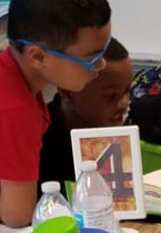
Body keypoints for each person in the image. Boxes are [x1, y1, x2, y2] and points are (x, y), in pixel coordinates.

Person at [0, 0, 112, 227]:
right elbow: (18, 217)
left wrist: (1, 198)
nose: (102, 65)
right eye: (91, 58)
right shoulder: (16, 110)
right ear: (37, 57)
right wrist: (5, 202)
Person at [39, 38, 132, 196]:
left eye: (127, 91)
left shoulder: (132, 125)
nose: (124, 103)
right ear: (68, 91)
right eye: (110, 96)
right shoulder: (40, 140)